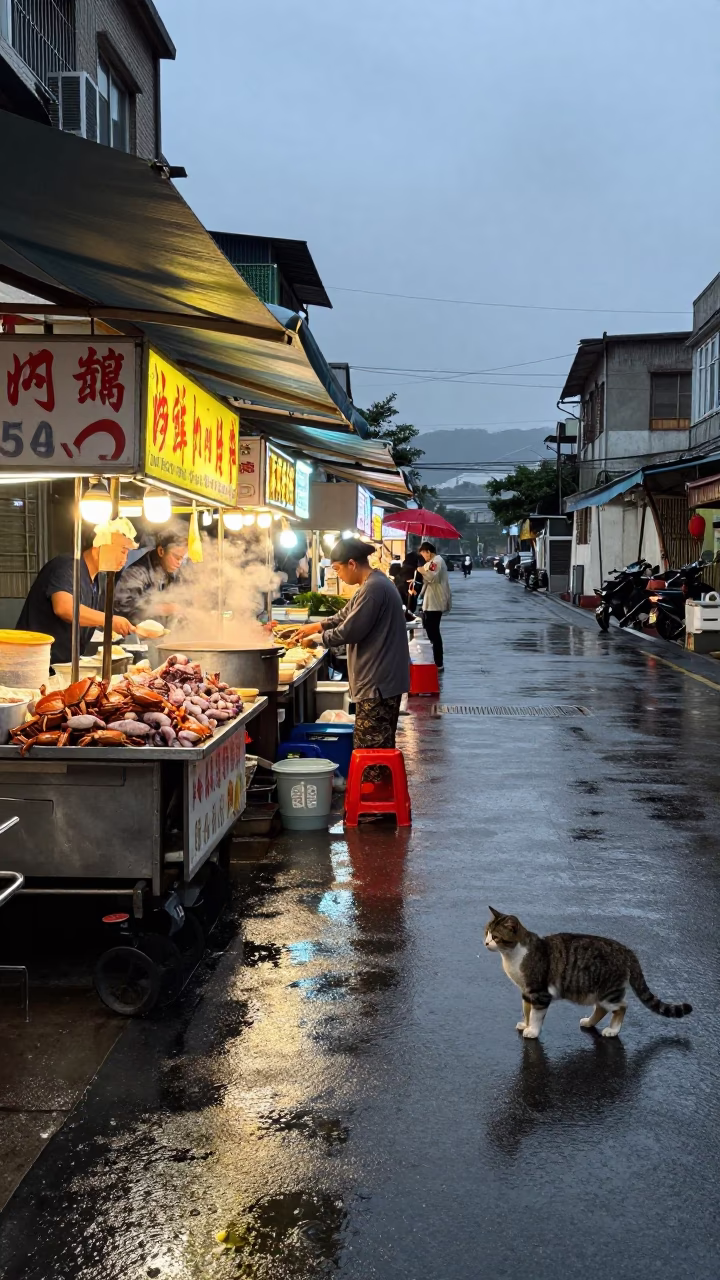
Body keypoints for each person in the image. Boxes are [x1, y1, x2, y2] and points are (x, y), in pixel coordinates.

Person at [294, 537, 410, 783]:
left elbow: (350, 631)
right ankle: (377, 798)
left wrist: (317, 639)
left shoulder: (374, 589)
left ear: (351, 564)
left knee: (372, 750)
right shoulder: (371, 584)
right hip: (381, 678)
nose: (338, 575)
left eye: (337, 569)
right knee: (374, 746)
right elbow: (344, 616)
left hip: (378, 681)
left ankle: (374, 803)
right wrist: (317, 625)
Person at [16, 531, 134, 668]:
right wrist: (109, 620)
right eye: (122, 552)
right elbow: (64, 608)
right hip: (34, 663)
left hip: (60, 665)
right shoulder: (68, 567)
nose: (125, 560)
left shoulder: (96, 579)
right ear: (98, 548)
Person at [113, 530, 188, 627]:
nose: (179, 563)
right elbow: (122, 609)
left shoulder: (173, 571)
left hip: (161, 634)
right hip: (135, 635)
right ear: (161, 551)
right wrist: (162, 609)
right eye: (177, 557)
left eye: (182, 558)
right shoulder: (136, 573)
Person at [417, 541, 451, 670]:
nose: (424, 557)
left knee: (434, 632)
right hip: (431, 601)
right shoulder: (432, 562)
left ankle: (438, 662)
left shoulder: (436, 561)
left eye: (424, 555)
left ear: (428, 552)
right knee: (430, 630)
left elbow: (432, 577)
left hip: (435, 601)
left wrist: (421, 569)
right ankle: (436, 660)